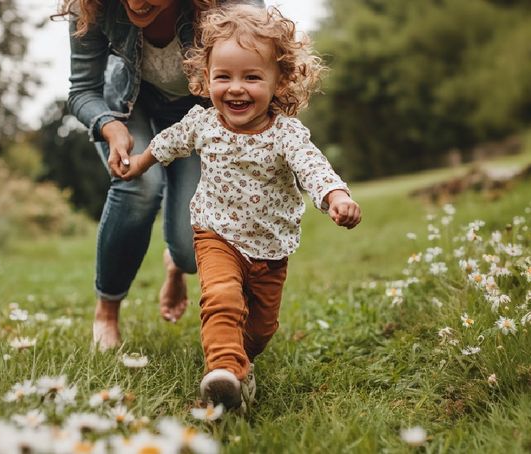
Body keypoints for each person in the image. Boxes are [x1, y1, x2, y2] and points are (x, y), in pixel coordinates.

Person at [119, 4, 362, 411]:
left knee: (262, 328)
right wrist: (137, 164)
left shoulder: (286, 135)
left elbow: (312, 167)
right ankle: (223, 373)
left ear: (279, 81)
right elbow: (166, 145)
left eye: (251, 77)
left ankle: (239, 366)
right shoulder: (203, 123)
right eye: (223, 76)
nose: (235, 88)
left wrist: (335, 196)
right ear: (205, 77)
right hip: (216, 232)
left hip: (270, 245)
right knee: (221, 298)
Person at [63, 0, 263, 351]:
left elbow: (263, 63)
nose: (138, 2)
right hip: (128, 106)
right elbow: (82, 91)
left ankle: (175, 264)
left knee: (189, 251)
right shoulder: (92, 7)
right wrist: (108, 126)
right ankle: (106, 312)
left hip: (199, 112)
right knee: (139, 185)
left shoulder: (229, 6)